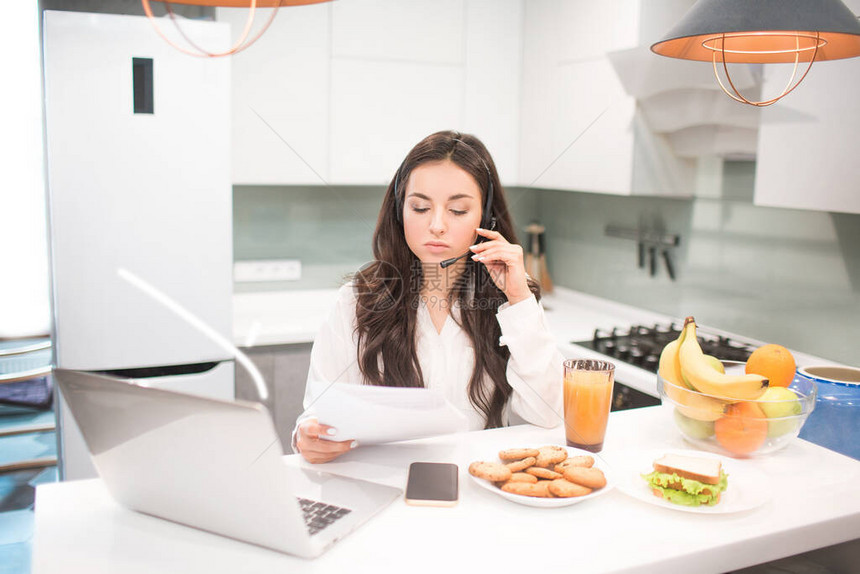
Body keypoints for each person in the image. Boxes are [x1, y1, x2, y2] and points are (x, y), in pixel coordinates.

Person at [294, 130, 564, 463]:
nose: (436, 225)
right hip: (385, 492)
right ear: (399, 211)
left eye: (458, 211)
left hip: (476, 495)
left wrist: (520, 301)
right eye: (420, 208)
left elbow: (548, 416)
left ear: (486, 216)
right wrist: (310, 437)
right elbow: (318, 414)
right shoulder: (355, 301)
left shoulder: (510, 301)